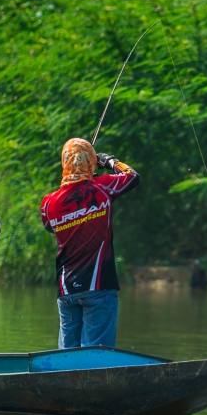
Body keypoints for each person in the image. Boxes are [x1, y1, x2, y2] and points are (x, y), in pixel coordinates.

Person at [39, 138, 139, 348]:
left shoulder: (49, 202)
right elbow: (132, 176)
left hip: (67, 291)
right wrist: (109, 160)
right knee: (95, 358)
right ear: (91, 164)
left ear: (64, 164)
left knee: (66, 358)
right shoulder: (103, 187)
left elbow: (49, 226)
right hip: (99, 286)